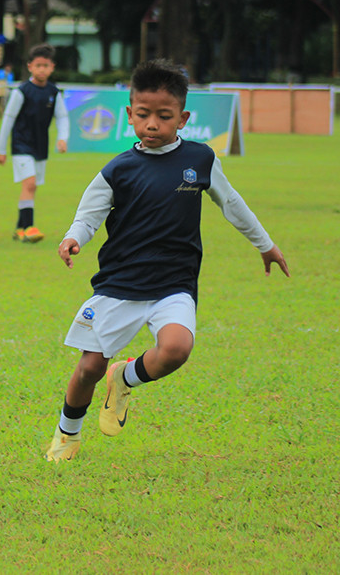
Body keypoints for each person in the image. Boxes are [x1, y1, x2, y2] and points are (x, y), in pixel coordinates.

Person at [45, 59, 290, 462]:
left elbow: (232, 203)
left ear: (183, 118)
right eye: (143, 115)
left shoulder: (200, 160)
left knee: (176, 349)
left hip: (174, 283)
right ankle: (67, 434)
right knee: (88, 368)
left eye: (164, 116)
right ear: (129, 115)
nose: (153, 124)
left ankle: (124, 377)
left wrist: (265, 244)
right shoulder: (118, 169)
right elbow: (89, 215)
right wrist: (74, 237)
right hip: (120, 284)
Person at [0, 43, 70, 243]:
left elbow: (62, 117)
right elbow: (8, 119)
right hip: (21, 145)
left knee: (32, 186)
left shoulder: (54, 92)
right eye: (38, 65)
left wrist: (63, 138)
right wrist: (0, 150)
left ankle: (19, 229)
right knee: (30, 183)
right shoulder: (22, 92)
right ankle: (29, 227)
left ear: (52, 67)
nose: (42, 69)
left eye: (46, 65)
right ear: (30, 66)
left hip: (40, 145)